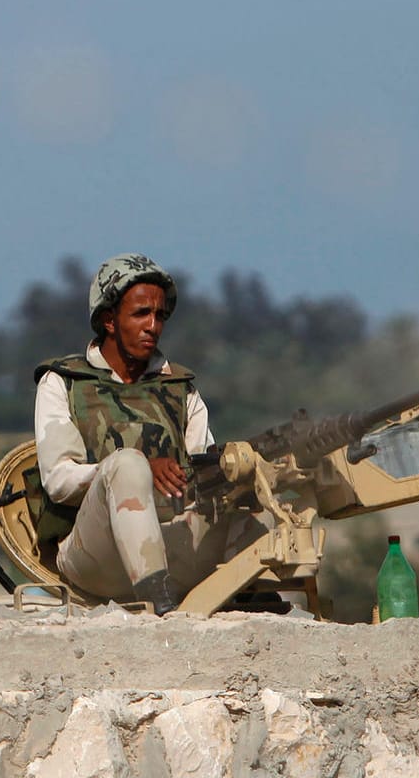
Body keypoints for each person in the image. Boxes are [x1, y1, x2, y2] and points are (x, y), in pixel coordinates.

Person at [32, 254, 261, 614]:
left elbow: (203, 470)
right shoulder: (63, 383)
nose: (153, 326)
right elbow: (59, 480)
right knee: (127, 465)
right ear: (109, 320)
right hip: (94, 557)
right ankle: (158, 604)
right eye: (140, 314)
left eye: (160, 316)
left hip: (172, 546)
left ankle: (258, 598)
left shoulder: (181, 389)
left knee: (253, 484)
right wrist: (127, 469)